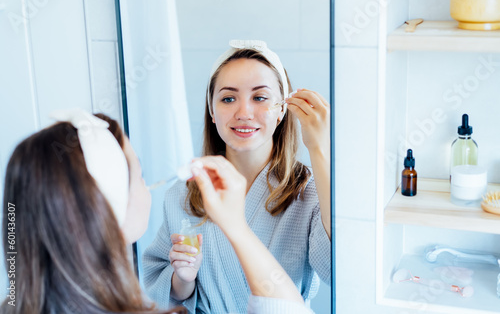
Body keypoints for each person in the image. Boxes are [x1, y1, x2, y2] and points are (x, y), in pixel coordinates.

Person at [1, 109, 312, 314]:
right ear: (105, 210)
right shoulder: (179, 199)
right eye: (139, 175)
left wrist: (184, 279)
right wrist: (236, 227)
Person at [143, 40, 331, 313]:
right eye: (228, 98)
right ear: (212, 110)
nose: (243, 113)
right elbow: (160, 287)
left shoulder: (309, 190)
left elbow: (335, 272)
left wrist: (318, 150)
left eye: (260, 97)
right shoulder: (183, 196)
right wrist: (183, 280)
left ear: (281, 110)